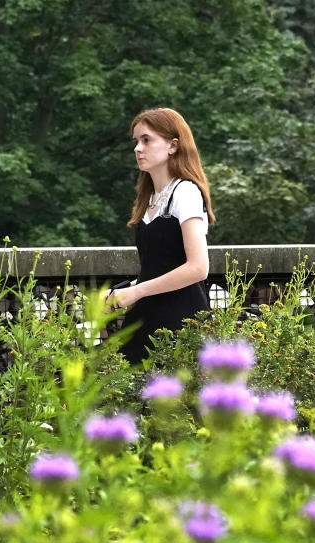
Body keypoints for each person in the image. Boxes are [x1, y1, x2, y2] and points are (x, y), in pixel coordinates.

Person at [107, 108, 214, 364]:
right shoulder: (150, 199)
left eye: (146, 140)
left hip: (181, 321)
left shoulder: (185, 192)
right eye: (136, 141)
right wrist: (123, 291)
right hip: (150, 316)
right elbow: (161, 267)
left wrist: (138, 292)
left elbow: (198, 268)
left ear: (172, 146)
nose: (137, 149)